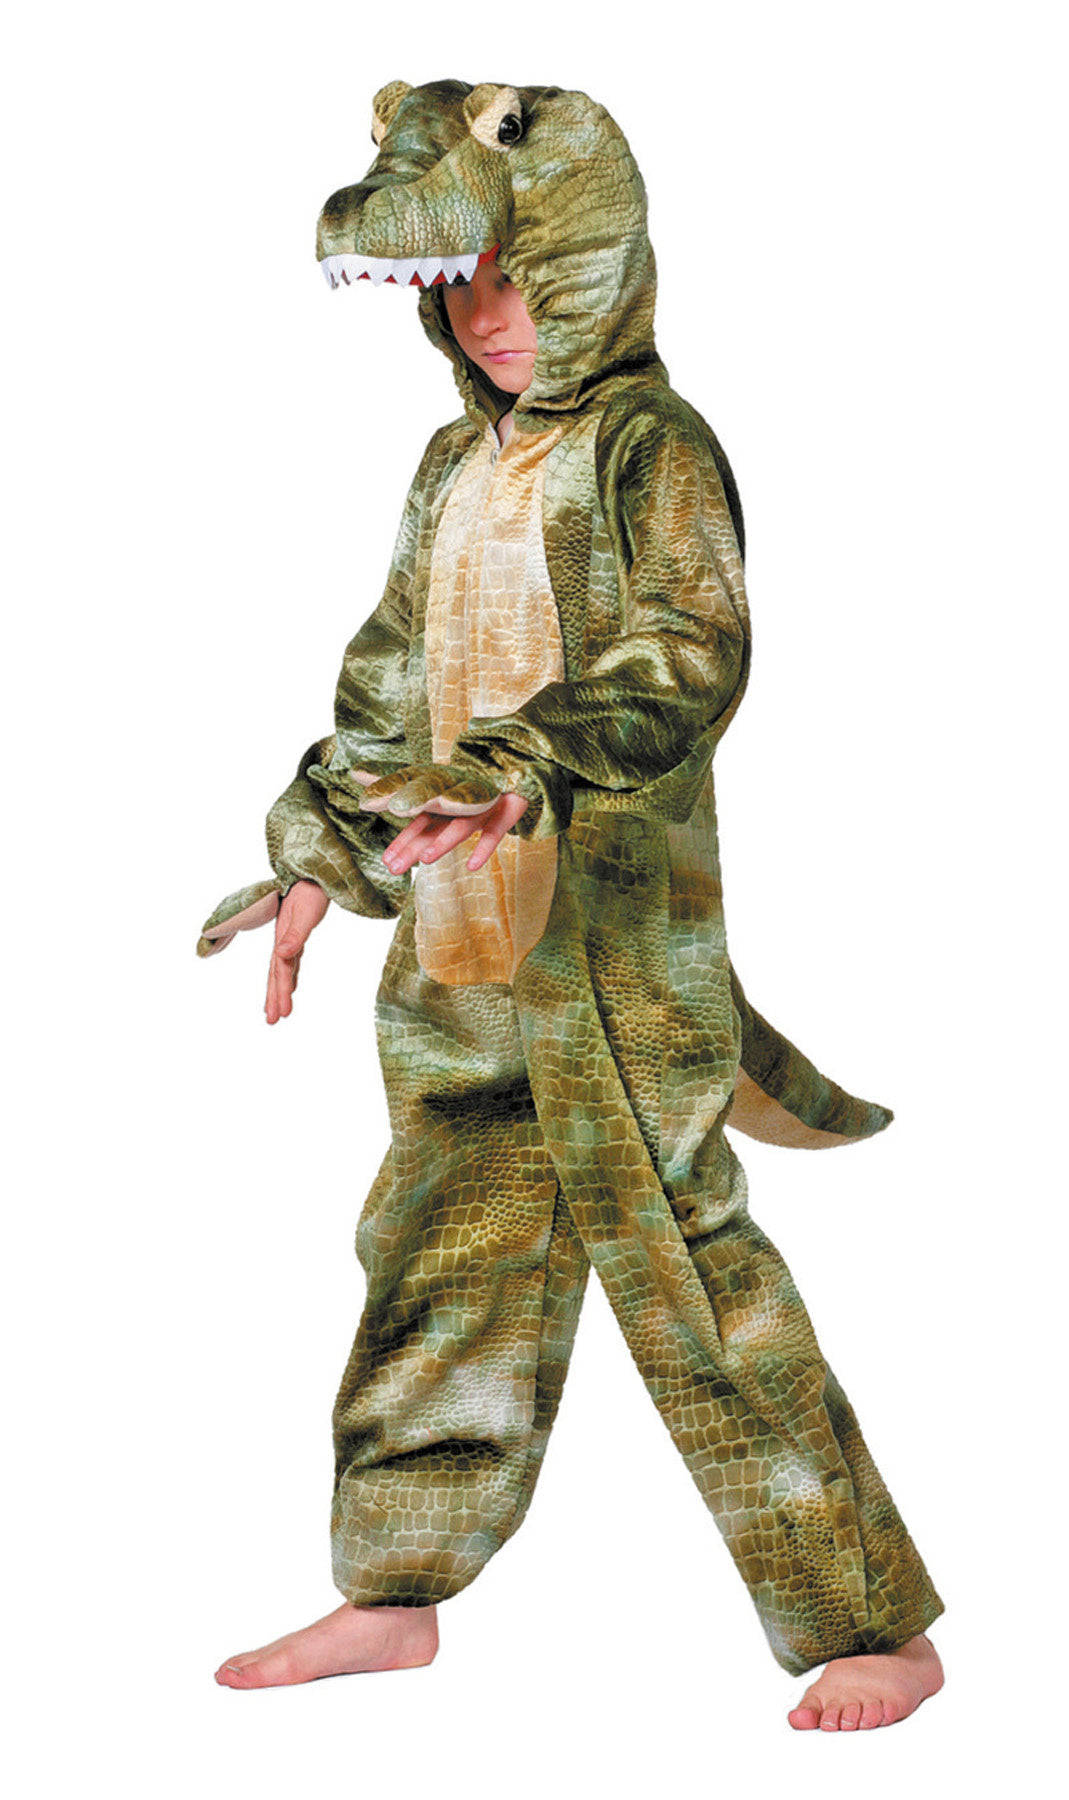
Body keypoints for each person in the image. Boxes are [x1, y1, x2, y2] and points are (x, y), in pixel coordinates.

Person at [199, 81, 944, 1731]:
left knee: (686, 1276)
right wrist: (320, 855)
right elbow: (389, 682)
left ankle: (870, 1624)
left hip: (614, 953)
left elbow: (688, 652)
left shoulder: (650, 448)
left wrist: (521, 765)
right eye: (465, 287)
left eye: (523, 277)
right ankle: (393, 1593)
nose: (492, 316)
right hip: (458, 949)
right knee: (434, 1257)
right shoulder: (447, 465)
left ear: (596, 266)